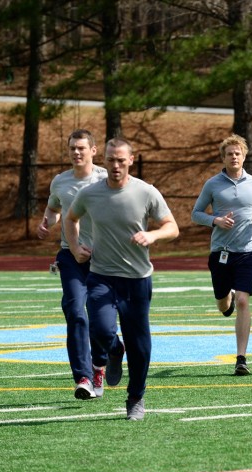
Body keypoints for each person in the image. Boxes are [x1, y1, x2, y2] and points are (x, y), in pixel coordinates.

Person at [64, 137, 179, 420]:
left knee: (140, 346)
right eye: (110, 160)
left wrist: (152, 235)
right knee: (101, 331)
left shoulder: (146, 192)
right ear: (103, 160)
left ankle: (136, 398)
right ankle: (114, 351)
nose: (115, 165)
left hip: (137, 280)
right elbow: (70, 218)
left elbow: (172, 227)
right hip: (101, 276)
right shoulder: (90, 194)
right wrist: (76, 246)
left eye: (120, 160)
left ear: (131, 159)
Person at [36, 129, 108, 400]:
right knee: (75, 311)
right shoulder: (61, 181)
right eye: (72, 149)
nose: (76, 153)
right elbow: (54, 209)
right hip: (70, 256)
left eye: (81, 148)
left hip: (103, 258)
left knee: (102, 323)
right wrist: (46, 223)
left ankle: (99, 363)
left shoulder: (105, 179)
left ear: (93, 150)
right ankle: (83, 377)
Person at [191, 134, 252, 376]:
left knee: (244, 301)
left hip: (248, 250)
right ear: (223, 158)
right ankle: (227, 300)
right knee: (224, 303)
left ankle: (241, 358)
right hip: (221, 252)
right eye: (229, 154)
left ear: (244, 156)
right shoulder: (213, 184)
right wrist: (215, 220)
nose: (234, 157)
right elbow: (196, 213)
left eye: (238, 153)